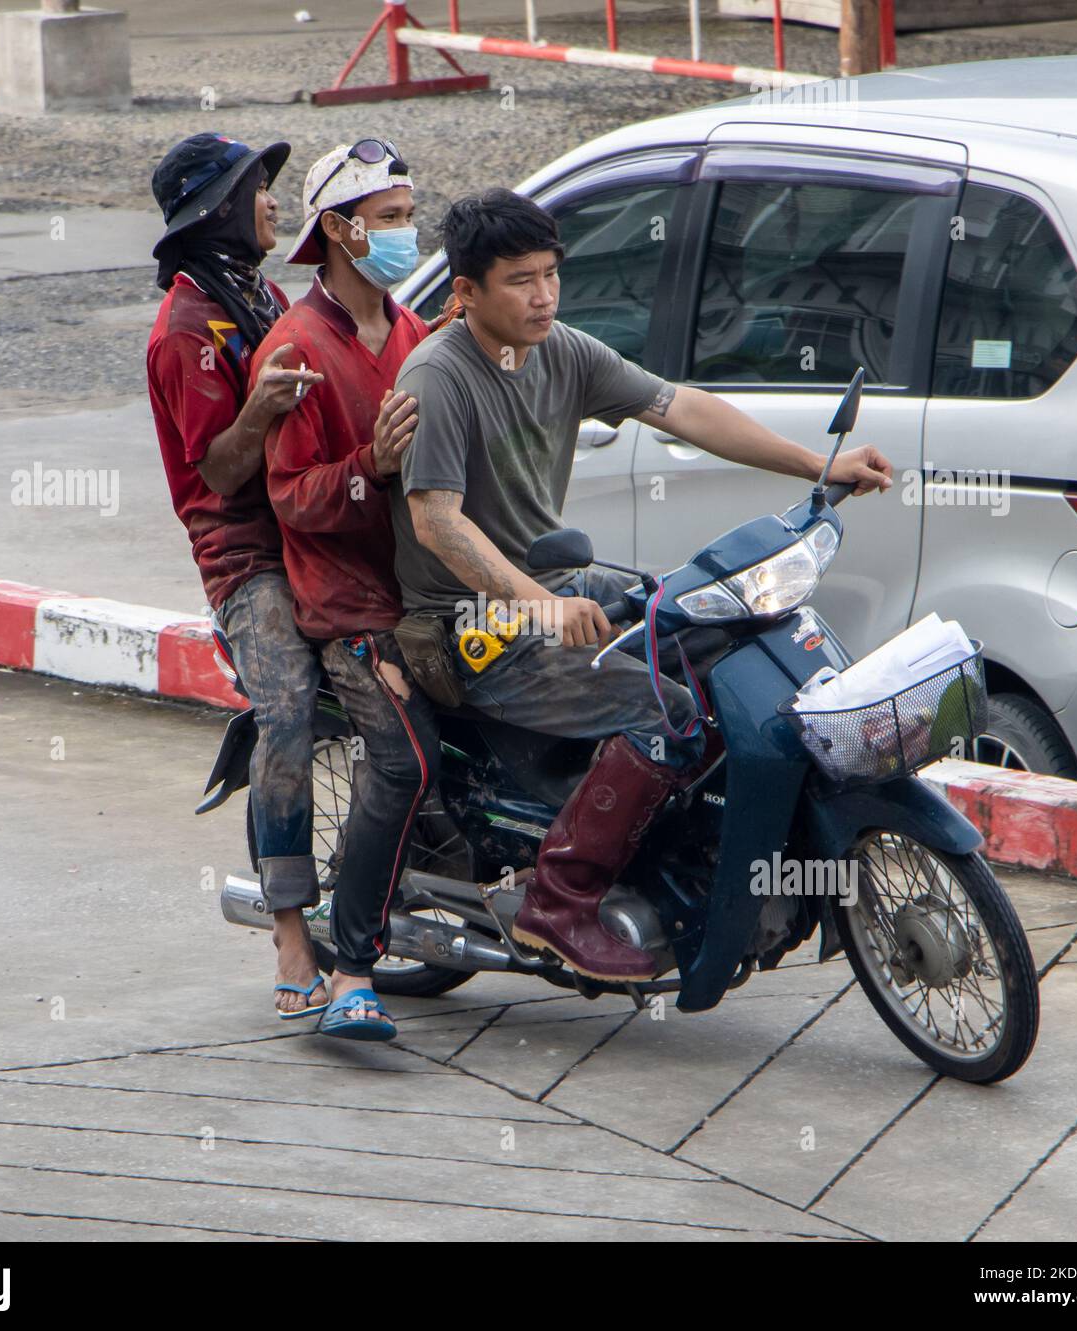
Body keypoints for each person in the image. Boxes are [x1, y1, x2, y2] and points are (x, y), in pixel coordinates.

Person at [391, 188, 893, 984]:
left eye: (552, 273)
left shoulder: (562, 349)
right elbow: (437, 522)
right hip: (470, 619)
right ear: (465, 293)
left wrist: (819, 464)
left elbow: (681, 408)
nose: (544, 294)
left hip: (556, 580)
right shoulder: (439, 377)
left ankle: (687, 857)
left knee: (712, 634)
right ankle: (559, 900)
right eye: (521, 279)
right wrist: (539, 602)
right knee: (671, 714)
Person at [249, 139, 440, 1041]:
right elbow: (291, 496)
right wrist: (374, 464)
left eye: (410, 216)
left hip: (423, 593)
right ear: (338, 229)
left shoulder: (409, 333)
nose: (409, 234)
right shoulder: (298, 344)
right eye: (393, 220)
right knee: (404, 760)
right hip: (349, 607)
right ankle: (351, 963)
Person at [146, 132, 330, 1022]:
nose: (271, 202)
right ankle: (291, 930)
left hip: (312, 514)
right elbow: (217, 474)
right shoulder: (187, 330)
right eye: (258, 189)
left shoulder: (259, 292)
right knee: (288, 709)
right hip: (247, 553)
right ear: (218, 208)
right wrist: (260, 409)